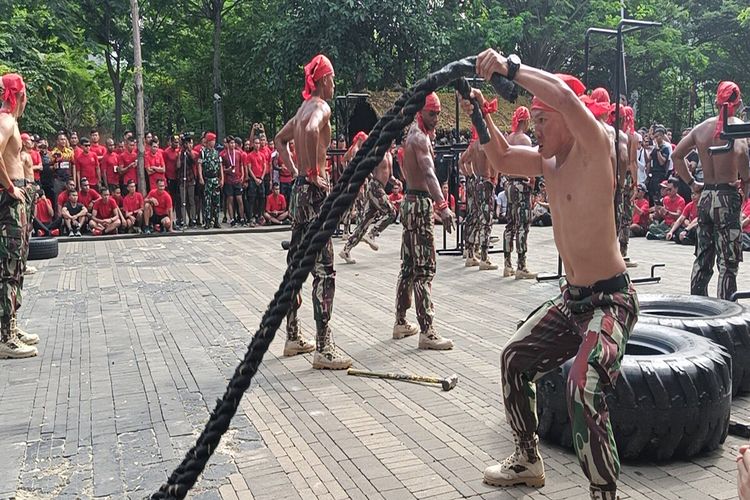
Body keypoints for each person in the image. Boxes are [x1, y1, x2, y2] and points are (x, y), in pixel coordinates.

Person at [463, 50, 638, 500]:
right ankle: (527, 459)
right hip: (572, 300)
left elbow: (561, 91)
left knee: (583, 387)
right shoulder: (548, 162)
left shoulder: (595, 145)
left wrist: (509, 68)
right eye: (534, 122)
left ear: (566, 118)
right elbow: (500, 158)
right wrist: (480, 115)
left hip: (611, 302)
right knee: (513, 360)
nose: (536, 130)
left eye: (542, 121)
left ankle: (604, 493)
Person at [274, 53, 351, 369]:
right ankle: (323, 347)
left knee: (296, 264)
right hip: (314, 192)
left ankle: (293, 336)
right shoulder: (320, 107)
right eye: (332, 78)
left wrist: (296, 170)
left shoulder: (301, 109)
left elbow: (280, 140)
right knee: (324, 270)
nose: (334, 83)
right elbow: (310, 127)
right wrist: (313, 171)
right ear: (322, 80)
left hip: (299, 192)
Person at [673, 81, 750, 300]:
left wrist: (692, 184)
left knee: (703, 257)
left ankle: (696, 304)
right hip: (727, 196)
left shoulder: (701, 128)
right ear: (738, 101)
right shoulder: (736, 126)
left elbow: (676, 156)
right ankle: (725, 311)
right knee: (728, 262)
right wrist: (746, 179)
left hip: (706, 195)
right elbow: (742, 155)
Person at [394, 91, 455, 350]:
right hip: (418, 203)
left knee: (408, 266)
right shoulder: (419, 138)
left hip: (411, 201)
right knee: (424, 269)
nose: (437, 118)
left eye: (439, 113)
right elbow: (429, 173)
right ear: (421, 112)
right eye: (433, 113)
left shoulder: (414, 135)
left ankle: (400, 322)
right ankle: (427, 330)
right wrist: (443, 205)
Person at [339, 133, 398, 264]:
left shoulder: (389, 156)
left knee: (364, 222)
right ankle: (372, 234)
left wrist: (395, 182)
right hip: (374, 187)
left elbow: (390, 176)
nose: (393, 144)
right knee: (391, 212)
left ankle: (346, 250)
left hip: (380, 187)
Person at [503, 105, 536, 278]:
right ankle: (521, 266)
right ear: (526, 120)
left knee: (510, 224)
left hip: (509, 184)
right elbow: (530, 164)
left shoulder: (509, 138)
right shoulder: (525, 140)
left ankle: (507, 264)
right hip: (522, 184)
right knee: (522, 225)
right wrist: (532, 179)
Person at [462, 126, 498, 270]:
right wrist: (493, 178)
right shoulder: (485, 144)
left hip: (476, 182)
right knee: (486, 221)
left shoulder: (474, 145)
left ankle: (470, 254)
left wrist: (470, 174)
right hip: (485, 181)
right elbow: (495, 162)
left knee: (475, 218)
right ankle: (484, 258)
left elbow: (462, 161)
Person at [198, 132, 223, 229]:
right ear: (208, 142)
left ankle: (216, 220)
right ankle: (207, 221)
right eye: (212, 140)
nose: (214, 142)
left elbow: (220, 166)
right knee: (207, 201)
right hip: (207, 179)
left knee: (216, 201)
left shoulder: (217, 153)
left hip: (215, 179)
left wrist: (222, 178)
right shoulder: (203, 152)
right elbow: (199, 165)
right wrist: (200, 177)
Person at [221, 136, 245, 226]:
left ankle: (242, 218)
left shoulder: (239, 153)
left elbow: (241, 165)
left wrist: (242, 175)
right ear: (227, 144)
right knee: (230, 199)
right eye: (230, 143)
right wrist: (228, 170)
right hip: (228, 180)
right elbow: (222, 169)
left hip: (237, 179)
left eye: (233, 143)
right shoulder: (223, 155)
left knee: (239, 199)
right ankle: (231, 219)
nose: (232, 145)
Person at [50, 131, 74, 199]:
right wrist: (53, 167)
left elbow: (73, 165)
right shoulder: (53, 153)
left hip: (68, 179)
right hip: (58, 180)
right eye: (61, 139)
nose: (63, 141)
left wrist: (73, 178)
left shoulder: (70, 152)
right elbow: (49, 167)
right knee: (58, 199)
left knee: (70, 198)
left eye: (64, 139)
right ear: (57, 141)